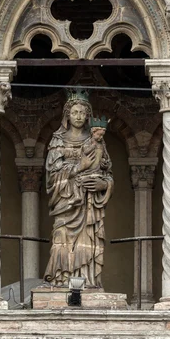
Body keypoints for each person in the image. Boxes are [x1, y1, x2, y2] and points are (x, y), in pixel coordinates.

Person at [44, 91, 113, 289]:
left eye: (83, 113)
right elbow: (53, 175)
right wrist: (78, 168)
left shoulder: (96, 141)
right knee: (61, 236)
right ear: (67, 114)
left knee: (88, 241)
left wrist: (104, 185)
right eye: (74, 112)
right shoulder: (58, 140)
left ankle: (88, 280)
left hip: (88, 203)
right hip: (66, 202)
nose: (78, 116)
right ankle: (60, 279)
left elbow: (107, 172)